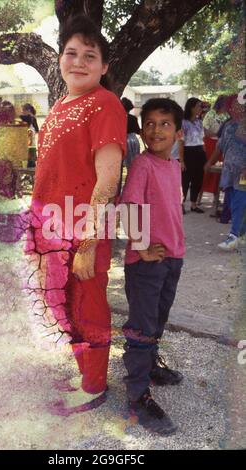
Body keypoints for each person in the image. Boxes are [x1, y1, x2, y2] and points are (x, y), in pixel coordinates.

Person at [26, 15, 127, 412]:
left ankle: (95, 385)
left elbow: (107, 181)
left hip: (81, 230)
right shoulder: (58, 107)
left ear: (103, 67)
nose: (79, 62)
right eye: (72, 53)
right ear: (60, 60)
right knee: (62, 304)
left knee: (87, 304)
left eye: (90, 55)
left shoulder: (105, 104)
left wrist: (87, 244)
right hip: (49, 229)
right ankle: (83, 370)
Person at [120, 98, 185, 436]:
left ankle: (151, 368)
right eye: (150, 123)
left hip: (172, 257)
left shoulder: (173, 166)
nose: (156, 130)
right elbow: (128, 207)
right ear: (142, 128)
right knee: (142, 325)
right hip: (147, 263)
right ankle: (136, 395)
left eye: (165, 123)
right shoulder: (142, 164)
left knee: (157, 318)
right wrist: (142, 247)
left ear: (178, 131)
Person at [204, 95, 246, 250]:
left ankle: (234, 235)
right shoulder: (228, 125)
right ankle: (239, 235)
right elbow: (219, 147)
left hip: (243, 172)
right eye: (232, 105)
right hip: (229, 172)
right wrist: (209, 163)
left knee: (240, 201)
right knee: (231, 200)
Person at [179, 97, 207, 213]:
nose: (201, 109)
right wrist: (181, 160)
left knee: (198, 179)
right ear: (191, 108)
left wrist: (205, 155)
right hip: (188, 152)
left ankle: (194, 204)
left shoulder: (199, 122)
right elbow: (181, 142)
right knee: (185, 180)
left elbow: (202, 139)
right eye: (199, 106)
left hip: (200, 152)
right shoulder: (183, 123)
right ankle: (181, 204)